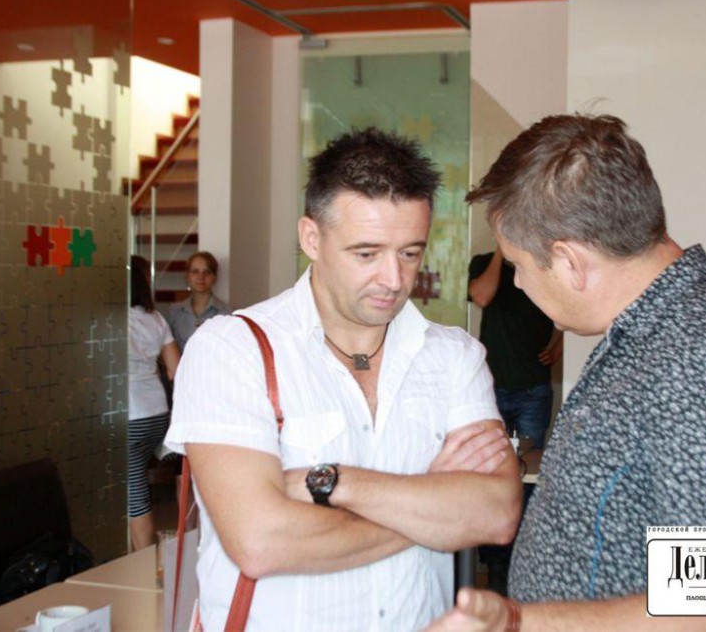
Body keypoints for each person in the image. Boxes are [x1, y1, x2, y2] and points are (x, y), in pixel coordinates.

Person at [427, 114, 706, 631]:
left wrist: (515, 622)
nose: (518, 284)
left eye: (518, 265)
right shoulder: (647, 335)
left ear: (569, 261)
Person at [164, 128, 523, 630]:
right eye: (366, 253)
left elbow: (496, 513)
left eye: (410, 253)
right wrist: (432, 506)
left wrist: (335, 484)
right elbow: (260, 541)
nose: (394, 279)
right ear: (311, 238)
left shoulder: (453, 356)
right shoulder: (231, 350)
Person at [468, 250, 562, 595]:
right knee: (490, 475)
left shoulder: (543, 261)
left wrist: (559, 344)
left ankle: (519, 561)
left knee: (528, 479)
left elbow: (566, 308)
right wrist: (501, 252)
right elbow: (482, 295)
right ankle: (494, 563)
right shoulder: (483, 263)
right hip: (489, 388)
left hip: (533, 389)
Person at [127, 255, 181, 550]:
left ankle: (144, 561)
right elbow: (175, 370)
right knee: (135, 485)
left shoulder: (111, 317)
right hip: (157, 413)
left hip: (129, 415)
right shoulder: (156, 318)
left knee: (135, 496)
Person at [166, 251, 233, 352]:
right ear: (187, 276)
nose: (201, 277)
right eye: (195, 272)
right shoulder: (174, 312)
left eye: (207, 272)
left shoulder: (227, 313)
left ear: (215, 277)